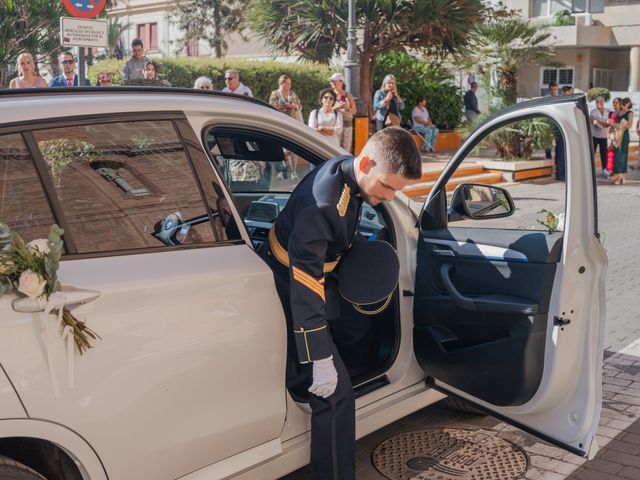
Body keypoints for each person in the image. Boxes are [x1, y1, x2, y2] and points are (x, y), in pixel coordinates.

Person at [257, 127, 422, 480]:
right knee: (335, 396)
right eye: (388, 187)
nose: (391, 198)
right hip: (290, 284)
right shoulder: (322, 205)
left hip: (316, 272)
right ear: (365, 162)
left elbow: (343, 236)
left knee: (358, 328)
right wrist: (319, 357)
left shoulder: (351, 176)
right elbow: (304, 284)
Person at [270, 75, 304, 179]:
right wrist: (285, 106)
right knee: (281, 147)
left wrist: (295, 106)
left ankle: (293, 171)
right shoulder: (275, 94)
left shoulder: (293, 94)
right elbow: (271, 107)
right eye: (287, 83)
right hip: (280, 124)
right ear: (281, 83)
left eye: (290, 83)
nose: (289, 86)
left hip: (292, 124)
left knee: (293, 148)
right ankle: (281, 171)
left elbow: (300, 106)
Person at [329, 72, 357, 153]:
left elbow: (354, 111)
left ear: (341, 82)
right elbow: (325, 110)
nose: (332, 83)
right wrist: (337, 107)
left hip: (347, 123)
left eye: (334, 81)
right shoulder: (329, 95)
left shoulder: (348, 95)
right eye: (331, 81)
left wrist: (347, 108)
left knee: (346, 149)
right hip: (334, 124)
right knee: (334, 148)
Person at [609, 98, 634, 185]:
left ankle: (619, 176)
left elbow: (629, 126)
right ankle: (620, 177)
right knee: (617, 155)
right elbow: (612, 118)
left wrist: (618, 125)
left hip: (624, 136)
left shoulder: (630, 113)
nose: (623, 106)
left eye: (624, 104)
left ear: (628, 104)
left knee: (622, 155)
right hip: (617, 136)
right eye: (622, 104)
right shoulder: (619, 112)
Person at [590, 96, 609, 175]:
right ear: (596, 103)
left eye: (601, 101)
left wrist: (598, 121)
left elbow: (608, 123)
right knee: (592, 153)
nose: (599, 103)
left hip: (604, 136)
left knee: (604, 153)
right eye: (597, 101)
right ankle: (590, 169)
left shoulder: (608, 111)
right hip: (595, 136)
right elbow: (592, 120)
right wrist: (603, 123)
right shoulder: (593, 111)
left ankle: (604, 169)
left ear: (603, 102)